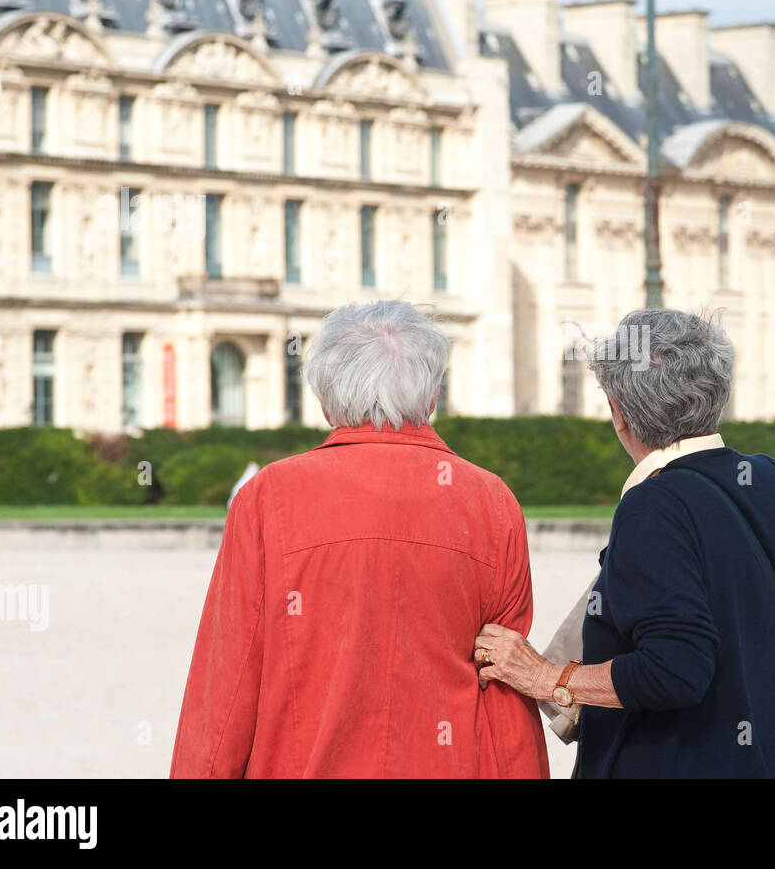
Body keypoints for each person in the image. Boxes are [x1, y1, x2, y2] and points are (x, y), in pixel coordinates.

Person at [474, 308, 775, 778]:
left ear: (619, 413)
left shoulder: (652, 505)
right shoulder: (772, 479)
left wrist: (548, 678)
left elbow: (674, 669)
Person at [170, 300, 548, 778]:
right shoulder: (491, 501)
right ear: (432, 397)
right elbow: (503, 688)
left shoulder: (269, 496)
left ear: (326, 401)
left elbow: (226, 684)